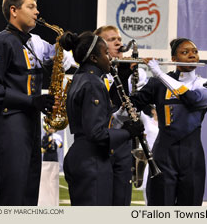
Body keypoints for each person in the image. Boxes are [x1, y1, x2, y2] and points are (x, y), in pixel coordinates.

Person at [0, 0, 73, 206]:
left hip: (30, 126)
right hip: (9, 125)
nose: (37, 12)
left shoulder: (34, 42)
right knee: (11, 197)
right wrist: (32, 101)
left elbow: (59, 56)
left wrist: (69, 43)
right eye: (31, 6)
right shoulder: (1, 41)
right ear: (14, 10)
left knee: (29, 196)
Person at [60, 31, 144, 205]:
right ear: (94, 58)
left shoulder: (79, 78)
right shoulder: (93, 83)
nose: (110, 58)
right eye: (105, 53)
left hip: (81, 155)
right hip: (92, 159)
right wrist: (128, 132)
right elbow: (96, 133)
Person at [130, 38, 207, 206]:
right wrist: (125, 73)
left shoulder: (205, 84)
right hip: (164, 154)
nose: (191, 55)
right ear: (173, 59)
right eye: (185, 52)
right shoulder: (157, 84)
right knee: (160, 207)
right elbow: (132, 104)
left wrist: (159, 74)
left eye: (194, 52)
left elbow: (192, 99)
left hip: (192, 155)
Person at [94, 25, 134, 205]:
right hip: (101, 144)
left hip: (123, 146)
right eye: (111, 40)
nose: (118, 42)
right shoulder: (94, 75)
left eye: (118, 39)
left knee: (122, 201)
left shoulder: (128, 72)